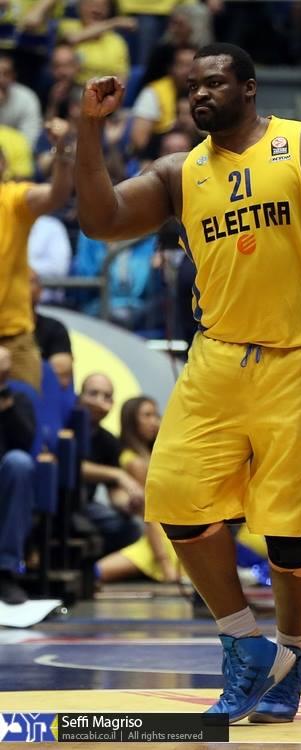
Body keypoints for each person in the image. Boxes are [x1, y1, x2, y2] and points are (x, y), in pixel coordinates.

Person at [75, 42, 301, 724]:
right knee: (176, 500)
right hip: (217, 356)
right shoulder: (179, 172)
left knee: (291, 538)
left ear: (250, 88)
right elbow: (101, 219)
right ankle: (243, 643)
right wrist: (88, 129)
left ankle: (291, 655)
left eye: (213, 83)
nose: (198, 94)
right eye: (191, 87)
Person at [0, 117, 73, 390]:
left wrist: (63, 152)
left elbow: (57, 195)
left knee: (29, 410)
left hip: (14, 337)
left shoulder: (13, 199)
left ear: (3, 165)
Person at [96, 396, 180, 583]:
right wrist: (164, 561)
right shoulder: (135, 462)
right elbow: (148, 513)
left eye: (156, 415)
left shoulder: (150, 456)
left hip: (162, 534)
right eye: (147, 415)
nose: (154, 421)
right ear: (131, 421)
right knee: (98, 572)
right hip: (156, 537)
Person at [79, 373, 144, 555]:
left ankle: (92, 565)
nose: (99, 401)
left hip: (87, 507)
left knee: (132, 528)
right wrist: (118, 474)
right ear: (80, 396)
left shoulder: (109, 441)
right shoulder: (66, 423)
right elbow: (73, 467)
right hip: (57, 502)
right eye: (93, 393)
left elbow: (113, 492)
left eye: (106, 396)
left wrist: (128, 504)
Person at [0, 346, 36, 604]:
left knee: (19, 463)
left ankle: (5, 570)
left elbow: (24, 441)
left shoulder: (18, 399)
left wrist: (6, 407)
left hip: (5, 475)